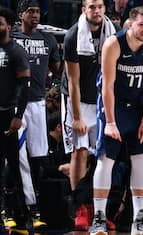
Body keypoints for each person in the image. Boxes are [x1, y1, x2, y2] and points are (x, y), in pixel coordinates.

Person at [92, 6, 143, 235]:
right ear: (130, 24)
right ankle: (99, 218)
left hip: (137, 104)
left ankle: (139, 220)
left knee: (141, 158)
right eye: (142, 25)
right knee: (107, 158)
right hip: (113, 102)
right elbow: (107, 87)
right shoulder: (113, 44)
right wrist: (111, 122)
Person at [62, 0, 116, 230]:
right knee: (80, 151)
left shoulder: (112, 32)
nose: (97, 11)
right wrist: (76, 117)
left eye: (100, 6)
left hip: (100, 97)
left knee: (103, 155)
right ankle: (80, 207)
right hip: (78, 99)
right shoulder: (73, 35)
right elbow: (72, 81)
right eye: (92, 7)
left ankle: (99, 209)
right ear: (84, 10)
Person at [11, 0, 61, 229]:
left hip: (38, 103)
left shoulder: (48, 39)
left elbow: (57, 69)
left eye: (38, 11)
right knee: (14, 157)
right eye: (30, 11)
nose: (35, 15)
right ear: (21, 15)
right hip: (14, 104)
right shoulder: (10, 37)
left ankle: (33, 208)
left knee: (37, 157)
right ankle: (13, 209)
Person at [0, 6, 31, 233]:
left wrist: (18, 115)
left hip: (8, 115)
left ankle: (21, 216)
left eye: (0, 23)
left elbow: (24, 86)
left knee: (14, 166)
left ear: (9, 26)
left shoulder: (16, 51)